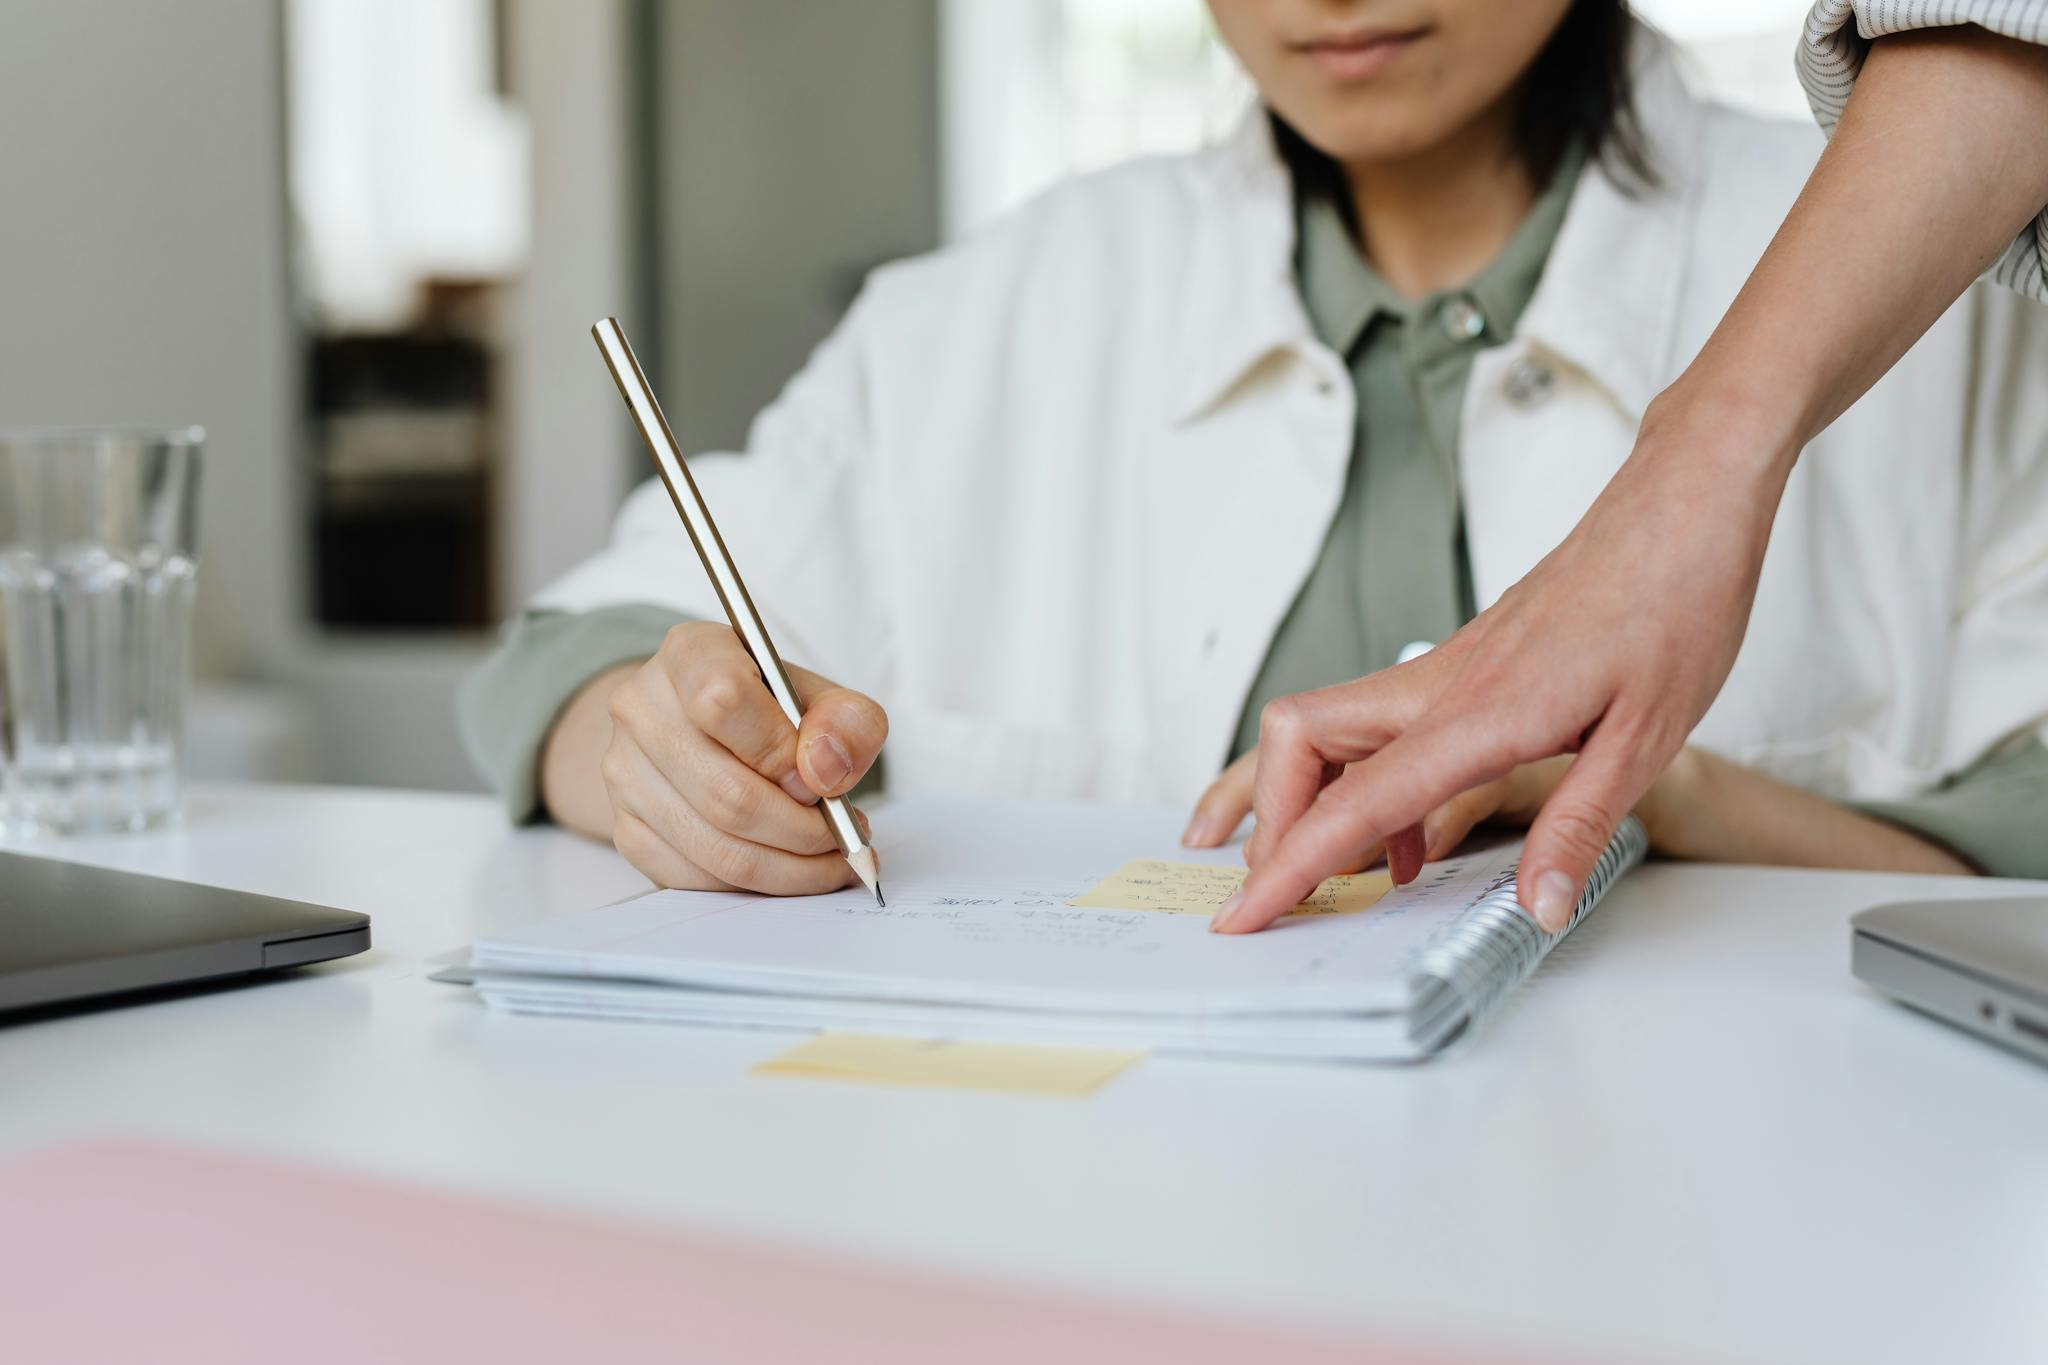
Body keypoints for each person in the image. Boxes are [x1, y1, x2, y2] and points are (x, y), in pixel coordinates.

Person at [459, 1, 2048, 921]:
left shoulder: (1947, 265)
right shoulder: (1005, 302)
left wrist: (1662, 796)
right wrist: (645, 747)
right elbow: (565, 655)